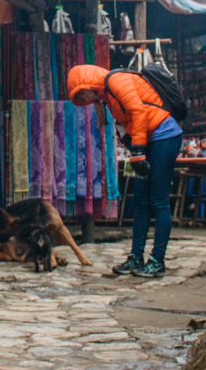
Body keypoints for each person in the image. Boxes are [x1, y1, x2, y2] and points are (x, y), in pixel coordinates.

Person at [66, 64, 182, 278]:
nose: (84, 100)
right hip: (147, 141)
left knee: (159, 201)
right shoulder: (106, 97)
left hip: (164, 136)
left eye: (82, 94)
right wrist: (135, 149)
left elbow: (138, 111)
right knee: (140, 202)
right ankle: (136, 257)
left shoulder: (116, 81)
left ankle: (157, 261)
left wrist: (137, 151)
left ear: (87, 83)